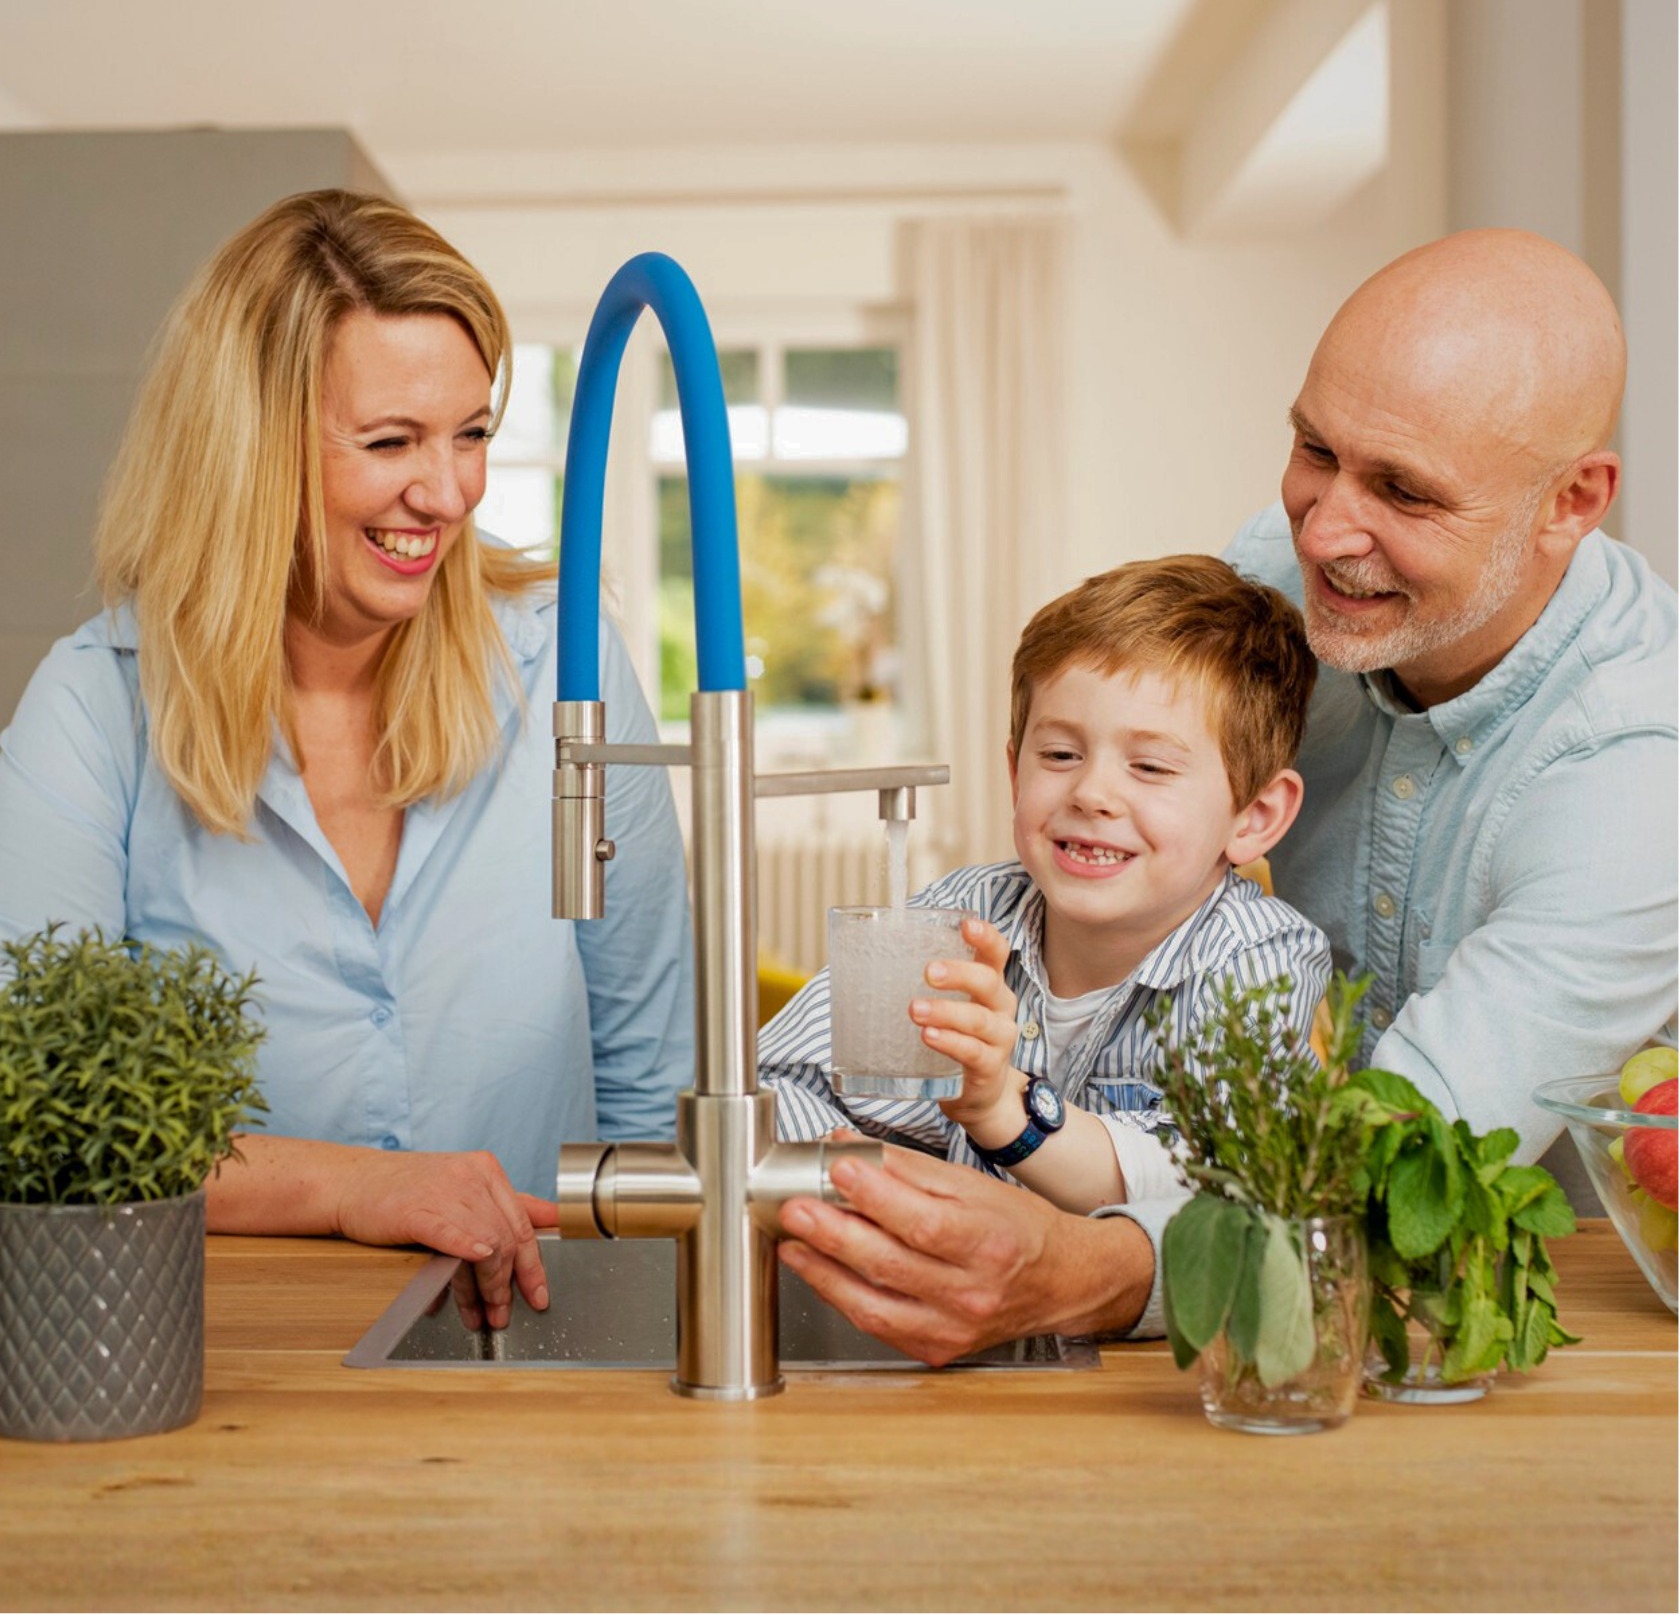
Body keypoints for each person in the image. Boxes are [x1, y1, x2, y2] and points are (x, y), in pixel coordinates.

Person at [776, 226, 1676, 1363]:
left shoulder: (1639, 781)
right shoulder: (1290, 581)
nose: (1324, 529)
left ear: (1571, 501)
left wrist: (1083, 1267)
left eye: (1404, 490)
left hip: (1514, 1313)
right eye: (1314, 448)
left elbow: (1387, 1174)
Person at [0, 189, 694, 1329]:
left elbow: (648, 1069)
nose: (449, 492)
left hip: (536, 1337)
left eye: (471, 433)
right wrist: (350, 1184)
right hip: (229, 1355)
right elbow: (43, 1119)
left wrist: (645, 1336)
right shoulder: (95, 711)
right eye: (390, 442)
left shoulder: (562, 666)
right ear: (249, 451)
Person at [762, 555, 1329, 1242]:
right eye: (1060, 755)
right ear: (1015, 773)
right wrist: (876, 1191)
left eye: (1150, 766)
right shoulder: (965, 914)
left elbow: (1224, 1183)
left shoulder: (1260, 956)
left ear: (1255, 817)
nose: (1091, 793)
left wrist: (1005, 1109)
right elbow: (772, 1083)